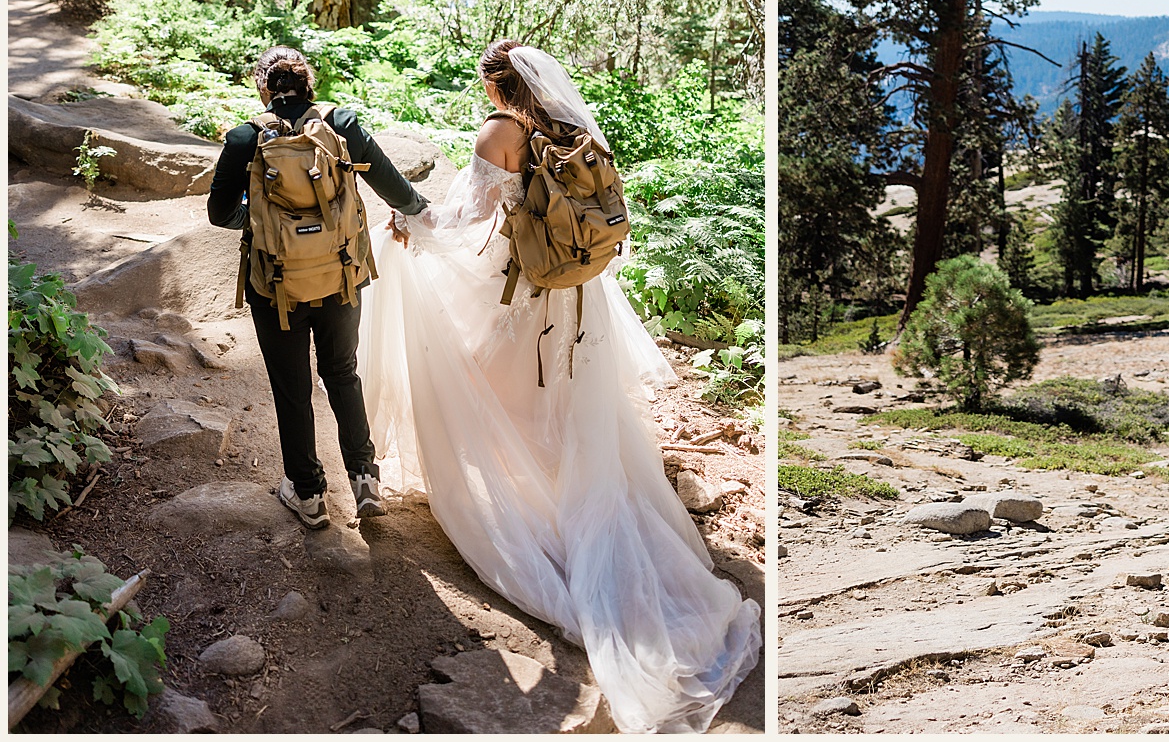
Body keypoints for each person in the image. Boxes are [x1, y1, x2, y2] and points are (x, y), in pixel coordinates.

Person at [359, 41, 760, 732]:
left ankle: (537, 519)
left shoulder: (502, 133)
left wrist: (407, 222)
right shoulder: (575, 131)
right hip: (573, 302)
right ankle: (566, 497)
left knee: (480, 387)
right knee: (563, 409)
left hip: (522, 300)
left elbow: (464, 224)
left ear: (495, 87)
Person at [207, 48, 431, 530]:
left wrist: (269, 226)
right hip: (340, 273)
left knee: (292, 387)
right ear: (310, 83)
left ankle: (308, 494)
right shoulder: (342, 124)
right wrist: (420, 208)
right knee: (342, 372)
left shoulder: (246, 136)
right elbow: (394, 187)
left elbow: (220, 213)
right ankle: (365, 479)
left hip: (275, 284)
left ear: (263, 87)